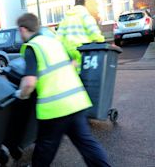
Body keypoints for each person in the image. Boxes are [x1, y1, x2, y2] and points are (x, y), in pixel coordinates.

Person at [16, 13, 110, 167]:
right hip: (77, 102)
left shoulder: (32, 47)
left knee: (45, 148)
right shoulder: (54, 42)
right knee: (87, 145)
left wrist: (21, 94)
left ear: (23, 29)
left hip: (55, 109)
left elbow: (29, 83)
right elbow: (72, 63)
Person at [57, 0, 105, 70]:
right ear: (84, 5)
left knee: (73, 70)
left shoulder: (66, 17)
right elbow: (93, 31)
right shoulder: (85, 15)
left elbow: (59, 37)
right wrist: (101, 41)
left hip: (68, 50)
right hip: (82, 48)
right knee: (83, 70)